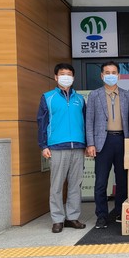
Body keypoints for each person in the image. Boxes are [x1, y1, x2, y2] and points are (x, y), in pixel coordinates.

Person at [37, 63, 87, 233]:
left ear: (73, 78)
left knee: (75, 184)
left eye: (69, 74)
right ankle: (57, 219)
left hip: (78, 146)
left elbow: (85, 123)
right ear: (56, 77)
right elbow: (41, 122)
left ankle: (72, 217)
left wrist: (87, 143)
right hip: (57, 146)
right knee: (56, 185)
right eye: (62, 74)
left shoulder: (80, 99)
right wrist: (43, 145)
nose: (66, 77)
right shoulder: (48, 97)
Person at [85, 61, 129, 229]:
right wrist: (90, 143)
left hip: (122, 141)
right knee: (101, 181)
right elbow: (89, 121)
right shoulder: (94, 95)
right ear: (102, 75)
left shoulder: (127, 95)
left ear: (119, 75)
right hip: (101, 142)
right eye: (107, 72)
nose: (110, 75)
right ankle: (102, 216)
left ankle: (120, 211)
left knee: (123, 180)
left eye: (114, 72)